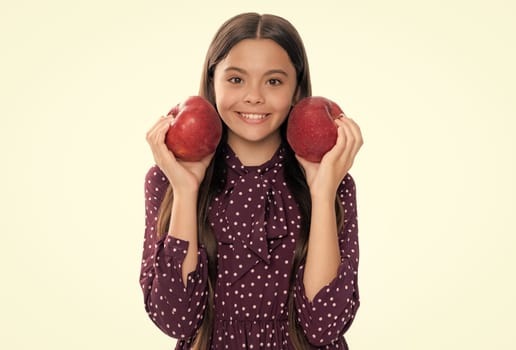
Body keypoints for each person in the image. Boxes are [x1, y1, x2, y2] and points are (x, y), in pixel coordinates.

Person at [140, 12, 363, 349]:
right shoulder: (166, 179)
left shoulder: (333, 183)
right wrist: (186, 191)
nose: (254, 96)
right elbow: (176, 317)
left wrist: (322, 191)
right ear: (212, 81)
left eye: (273, 81)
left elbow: (322, 326)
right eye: (236, 79)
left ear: (296, 90)